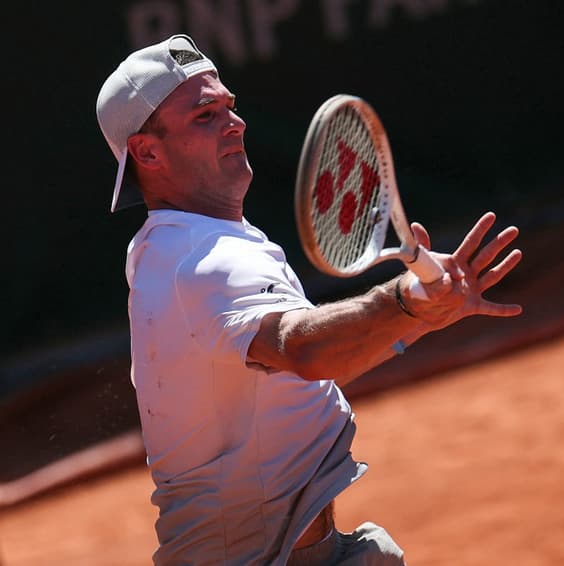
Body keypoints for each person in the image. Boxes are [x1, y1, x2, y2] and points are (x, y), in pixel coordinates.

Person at [96, 34, 522, 565]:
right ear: (147, 151)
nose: (236, 122)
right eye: (205, 115)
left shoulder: (179, 245)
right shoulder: (201, 261)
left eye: (229, 106)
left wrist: (411, 314)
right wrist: (400, 305)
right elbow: (304, 351)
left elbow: (290, 378)